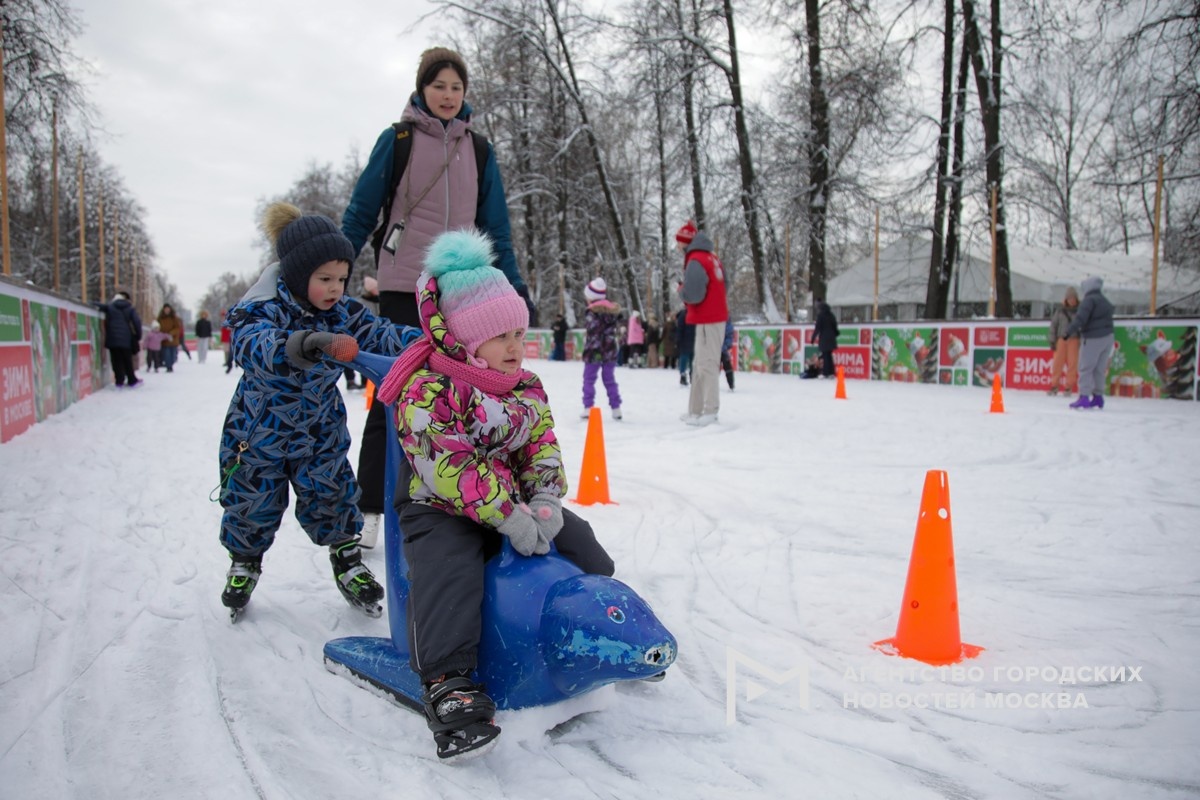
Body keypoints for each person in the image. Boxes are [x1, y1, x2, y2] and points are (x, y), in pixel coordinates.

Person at [373, 230, 614, 760]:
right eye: (500, 336)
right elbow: (449, 466)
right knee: (450, 567)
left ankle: (603, 628)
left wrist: (545, 500)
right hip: (439, 505)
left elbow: (540, 444)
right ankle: (449, 684)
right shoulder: (428, 389)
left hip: (513, 502)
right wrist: (506, 514)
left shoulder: (524, 386)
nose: (514, 347)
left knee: (581, 543)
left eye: (518, 333)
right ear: (463, 337)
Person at [340, 46, 534, 544]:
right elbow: (362, 210)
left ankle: (459, 497)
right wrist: (337, 268)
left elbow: (497, 226)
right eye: (438, 85)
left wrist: (513, 286)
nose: (448, 95)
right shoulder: (398, 140)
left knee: (463, 396)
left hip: (460, 294)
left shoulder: (479, 150)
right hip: (404, 284)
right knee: (395, 389)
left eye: (456, 87)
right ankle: (370, 507)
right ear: (422, 89)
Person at [216, 202, 422, 620]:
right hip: (259, 433)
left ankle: (347, 560)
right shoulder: (263, 309)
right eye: (324, 279)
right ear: (297, 275)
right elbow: (252, 344)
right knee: (251, 501)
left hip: (319, 431)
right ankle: (245, 561)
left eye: (341, 279)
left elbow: (381, 333)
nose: (335, 288)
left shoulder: (343, 314)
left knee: (334, 496)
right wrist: (302, 343)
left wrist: (430, 339)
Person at [675, 220, 728, 425]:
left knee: (707, 364)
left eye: (679, 242)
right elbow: (725, 284)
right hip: (711, 317)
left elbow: (694, 294)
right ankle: (695, 410)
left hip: (708, 318)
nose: (677, 246)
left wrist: (681, 290)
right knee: (699, 365)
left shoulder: (695, 260)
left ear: (686, 242)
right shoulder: (711, 257)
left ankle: (710, 410)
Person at [1063, 276, 1115, 410]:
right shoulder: (1104, 300)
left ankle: (1084, 397)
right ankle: (1098, 397)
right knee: (1099, 369)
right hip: (1108, 337)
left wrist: (1068, 332)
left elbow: (1081, 318)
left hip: (1093, 338)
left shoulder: (1089, 301)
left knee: (1085, 368)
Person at [580, 277, 623, 420]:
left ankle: (588, 407)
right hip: (610, 349)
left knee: (588, 379)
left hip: (594, 351)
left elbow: (592, 330)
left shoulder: (592, 313)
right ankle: (616, 408)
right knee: (609, 379)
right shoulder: (612, 313)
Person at [94, 290, 142, 388]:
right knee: (127, 360)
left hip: (112, 338)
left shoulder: (110, 307)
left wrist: (91, 303)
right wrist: (138, 335)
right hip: (126, 338)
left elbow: (99, 306)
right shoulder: (130, 308)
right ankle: (132, 380)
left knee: (116, 360)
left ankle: (119, 381)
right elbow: (137, 322)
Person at [1047, 287, 1080, 396]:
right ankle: (1054, 385)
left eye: (1073, 298)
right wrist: (1052, 340)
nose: (1072, 300)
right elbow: (1054, 325)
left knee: (1072, 363)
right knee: (1057, 363)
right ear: (1066, 299)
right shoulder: (1060, 310)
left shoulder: (1080, 311)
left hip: (1074, 339)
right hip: (1061, 338)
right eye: (1069, 298)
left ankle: (1069, 387)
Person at [812, 298, 839, 378]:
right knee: (829, 355)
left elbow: (818, 328)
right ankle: (831, 373)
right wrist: (835, 334)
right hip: (831, 338)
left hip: (824, 338)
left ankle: (826, 373)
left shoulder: (820, 316)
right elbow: (835, 326)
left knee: (825, 355)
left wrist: (813, 338)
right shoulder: (831, 315)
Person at [156, 303, 183, 372]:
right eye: (165, 309)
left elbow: (177, 328)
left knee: (173, 355)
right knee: (166, 354)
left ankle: (170, 364)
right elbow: (157, 327)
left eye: (168, 309)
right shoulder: (160, 318)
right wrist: (162, 334)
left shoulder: (174, 318)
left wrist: (171, 333)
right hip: (164, 339)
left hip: (173, 339)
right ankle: (169, 367)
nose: (167, 310)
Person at [675, 307, 694, 386]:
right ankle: (687, 375)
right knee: (687, 358)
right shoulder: (684, 315)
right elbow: (680, 329)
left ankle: (686, 374)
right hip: (688, 340)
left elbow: (679, 329)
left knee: (687, 358)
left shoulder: (683, 314)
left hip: (688, 340)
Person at [720, 319, 736, 390]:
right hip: (715, 348)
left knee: (727, 365)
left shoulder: (726, 322)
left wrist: (726, 345)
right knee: (713, 367)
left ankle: (731, 384)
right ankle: (710, 384)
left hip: (723, 349)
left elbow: (729, 335)